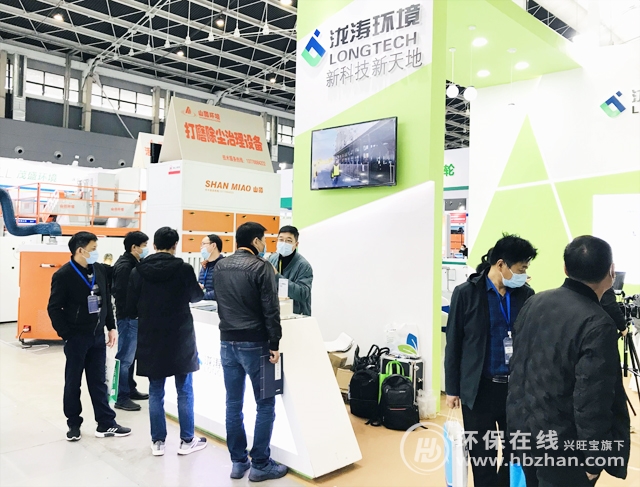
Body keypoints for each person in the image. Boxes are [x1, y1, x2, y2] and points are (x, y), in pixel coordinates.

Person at [507, 236, 630, 487]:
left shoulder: (534, 302)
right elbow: (592, 399)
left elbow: (519, 368)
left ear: (565, 268)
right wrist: (594, 460)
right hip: (566, 449)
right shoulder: (598, 324)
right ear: (611, 272)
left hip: (527, 434)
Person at [445, 234, 538, 487]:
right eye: (521, 269)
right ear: (501, 264)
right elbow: (454, 342)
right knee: (482, 456)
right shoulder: (466, 293)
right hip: (479, 390)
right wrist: (452, 388)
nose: (524, 274)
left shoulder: (526, 295)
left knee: (515, 453)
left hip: (515, 391)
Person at [213, 222, 286, 482]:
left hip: (227, 342)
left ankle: (238, 462)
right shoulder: (261, 267)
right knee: (265, 404)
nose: (265, 244)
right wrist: (275, 343)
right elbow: (271, 309)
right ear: (255, 241)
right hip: (256, 343)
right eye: (263, 239)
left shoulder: (220, 266)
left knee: (233, 404)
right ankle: (261, 464)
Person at [126, 227, 207, 456]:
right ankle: (187, 440)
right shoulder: (184, 269)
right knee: (184, 389)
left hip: (151, 336)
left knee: (155, 390)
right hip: (180, 337)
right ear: (175, 246)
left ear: (154, 246)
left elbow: (130, 307)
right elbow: (196, 297)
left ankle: (158, 442)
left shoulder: (138, 271)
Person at [47, 231, 131, 441]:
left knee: (98, 381)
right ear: (80, 250)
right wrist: (67, 334)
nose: (96, 252)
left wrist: (110, 327)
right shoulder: (63, 275)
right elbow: (54, 308)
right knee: (73, 382)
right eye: (93, 249)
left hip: (97, 336)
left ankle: (106, 423)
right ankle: (74, 424)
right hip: (76, 337)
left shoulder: (99, 270)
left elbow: (106, 300)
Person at [111, 231, 150, 411]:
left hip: (133, 317)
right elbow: (121, 294)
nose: (146, 249)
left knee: (131, 357)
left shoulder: (134, 263)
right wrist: (133, 313)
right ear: (134, 247)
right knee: (125, 358)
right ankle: (121, 396)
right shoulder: (125, 266)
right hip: (128, 318)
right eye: (144, 246)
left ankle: (130, 388)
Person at [268, 225, 313, 316]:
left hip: (296, 315)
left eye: (289, 241)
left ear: (296, 244)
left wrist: (277, 276)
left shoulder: (303, 266)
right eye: (281, 239)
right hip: (276, 313)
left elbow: (302, 294)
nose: (284, 243)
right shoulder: (272, 259)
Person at [199, 234, 224, 300]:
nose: (201, 247)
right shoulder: (205, 265)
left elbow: (221, 291)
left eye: (203, 244)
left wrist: (201, 296)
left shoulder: (223, 266)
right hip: (203, 303)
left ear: (213, 245)